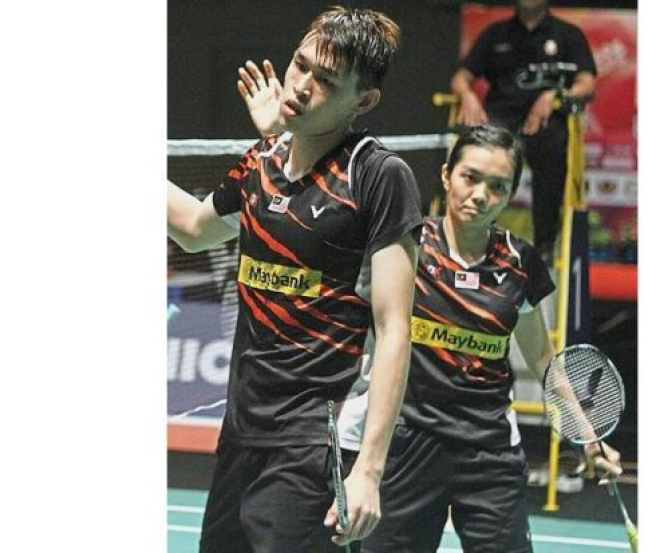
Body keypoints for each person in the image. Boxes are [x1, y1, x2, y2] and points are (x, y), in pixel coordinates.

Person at [237, 67, 622, 552]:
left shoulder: (519, 262)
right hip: (406, 444)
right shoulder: (406, 244)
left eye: (497, 186)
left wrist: (588, 437)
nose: (480, 195)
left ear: (510, 194)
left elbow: (544, 361)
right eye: (470, 178)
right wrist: (279, 133)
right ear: (446, 176)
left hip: (487, 451)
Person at [167, 7, 423, 552]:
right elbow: (193, 228)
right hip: (242, 432)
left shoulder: (377, 176)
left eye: (326, 80)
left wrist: (369, 469)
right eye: (300, 65)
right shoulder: (262, 161)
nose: (302, 85)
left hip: (315, 439)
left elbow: (395, 329)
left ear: (364, 101)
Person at [451, 0, 597, 265]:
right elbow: (461, 77)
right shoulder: (496, 33)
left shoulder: (568, 34)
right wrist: (468, 96)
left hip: (546, 122)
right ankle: (476, 238)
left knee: (552, 150)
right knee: (478, 148)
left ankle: (544, 246)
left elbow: (586, 84)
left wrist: (556, 94)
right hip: (500, 121)